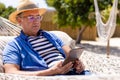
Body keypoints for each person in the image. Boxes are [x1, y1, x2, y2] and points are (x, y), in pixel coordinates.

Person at [3, 0, 90, 76]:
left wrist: (77, 64)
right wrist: (50, 72)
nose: (36, 21)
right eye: (31, 17)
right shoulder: (14, 45)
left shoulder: (51, 36)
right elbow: (10, 72)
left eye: (38, 17)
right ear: (19, 20)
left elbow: (70, 54)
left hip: (73, 73)